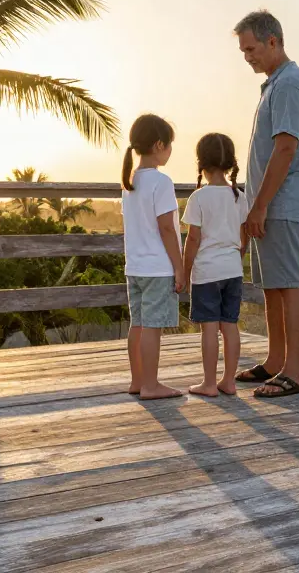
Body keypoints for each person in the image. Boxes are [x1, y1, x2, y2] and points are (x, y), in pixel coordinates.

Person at [232, 10, 299, 398]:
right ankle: (275, 361)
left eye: (250, 48)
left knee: (288, 284)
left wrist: (260, 205)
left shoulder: (288, 85)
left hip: (279, 203)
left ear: (273, 41)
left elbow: (285, 149)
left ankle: (295, 373)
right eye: (242, 50)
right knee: (271, 286)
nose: (246, 56)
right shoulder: (274, 84)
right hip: (268, 203)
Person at [121, 113, 186, 400]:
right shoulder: (162, 182)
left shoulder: (130, 181)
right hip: (157, 268)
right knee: (153, 328)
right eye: (170, 145)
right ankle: (151, 385)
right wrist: (180, 267)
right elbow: (167, 229)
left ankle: (138, 381)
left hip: (134, 267)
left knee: (138, 323)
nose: (171, 151)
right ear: (159, 145)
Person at [181, 133, 250, 397]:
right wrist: (235, 259)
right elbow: (244, 238)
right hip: (233, 271)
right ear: (230, 163)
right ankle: (228, 381)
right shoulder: (238, 197)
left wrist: (185, 274)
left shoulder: (199, 198)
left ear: (201, 163)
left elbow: (193, 240)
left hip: (207, 273)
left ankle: (209, 383)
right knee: (229, 325)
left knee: (209, 328)